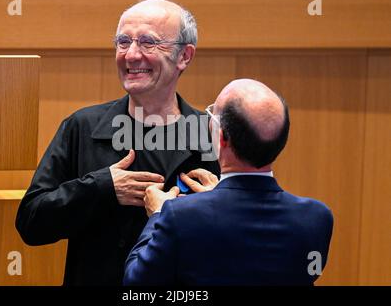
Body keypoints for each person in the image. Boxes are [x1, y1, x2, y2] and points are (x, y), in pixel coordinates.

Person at [15, 0, 219, 285]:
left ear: (184, 56)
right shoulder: (82, 126)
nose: (131, 55)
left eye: (148, 42)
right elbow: (31, 223)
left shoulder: (211, 133)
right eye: (123, 42)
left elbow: (242, 240)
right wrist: (101, 188)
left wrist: (220, 206)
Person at [124, 79, 334, 285]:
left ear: (221, 137)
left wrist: (158, 215)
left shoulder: (179, 216)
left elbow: (136, 283)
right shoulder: (317, 218)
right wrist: (218, 198)